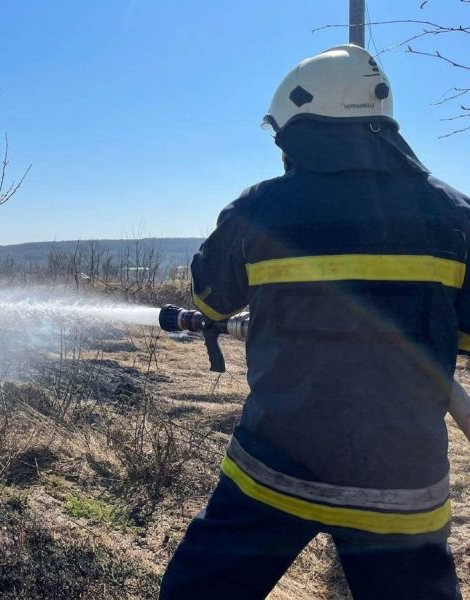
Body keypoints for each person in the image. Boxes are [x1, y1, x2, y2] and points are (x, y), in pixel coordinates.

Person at [160, 44, 466, 599]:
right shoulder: (454, 216)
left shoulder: (259, 209)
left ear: (298, 128)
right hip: (401, 493)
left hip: (273, 475)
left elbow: (209, 300)